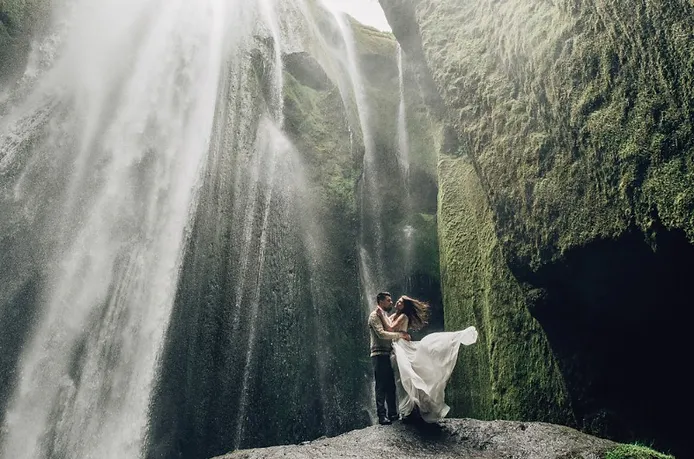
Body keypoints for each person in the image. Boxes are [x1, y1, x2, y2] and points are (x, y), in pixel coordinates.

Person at [378, 295, 478, 423]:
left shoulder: (403, 317)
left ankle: (410, 410)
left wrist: (381, 316)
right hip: (395, 346)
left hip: (402, 348)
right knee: (403, 377)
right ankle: (408, 409)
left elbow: (390, 328)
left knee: (406, 376)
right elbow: (388, 324)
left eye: (401, 302)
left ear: (405, 306)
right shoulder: (394, 316)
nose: (397, 302)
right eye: (398, 300)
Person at [368, 292, 411, 425]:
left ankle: (393, 413)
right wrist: (400, 335)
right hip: (378, 354)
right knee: (381, 385)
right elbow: (381, 334)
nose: (391, 303)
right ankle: (382, 416)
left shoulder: (385, 315)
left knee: (390, 385)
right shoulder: (374, 315)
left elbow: (390, 328)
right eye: (388, 300)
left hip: (387, 354)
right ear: (380, 301)